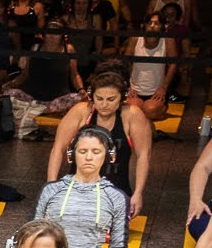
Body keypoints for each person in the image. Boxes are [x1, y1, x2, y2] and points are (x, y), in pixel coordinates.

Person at [45, 70, 147, 209]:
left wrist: (138, 193)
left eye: (111, 99)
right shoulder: (81, 111)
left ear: (122, 98)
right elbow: (58, 149)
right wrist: (51, 187)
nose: (104, 104)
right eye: (99, 99)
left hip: (115, 190)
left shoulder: (132, 114)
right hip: (78, 187)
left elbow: (143, 155)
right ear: (92, 97)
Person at [126, 12, 174, 116]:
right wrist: (128, 86)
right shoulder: (135, 39)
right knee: (133, 112)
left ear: (163, 26)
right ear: (144, 25)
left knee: (150, 111)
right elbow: (126, 61)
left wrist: (164, 87)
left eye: (156, 23)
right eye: (150, 23)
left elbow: (173, 64)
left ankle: (161, 108)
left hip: (156, 92)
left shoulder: (167, 40)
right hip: (135, 90)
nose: (152, 26)